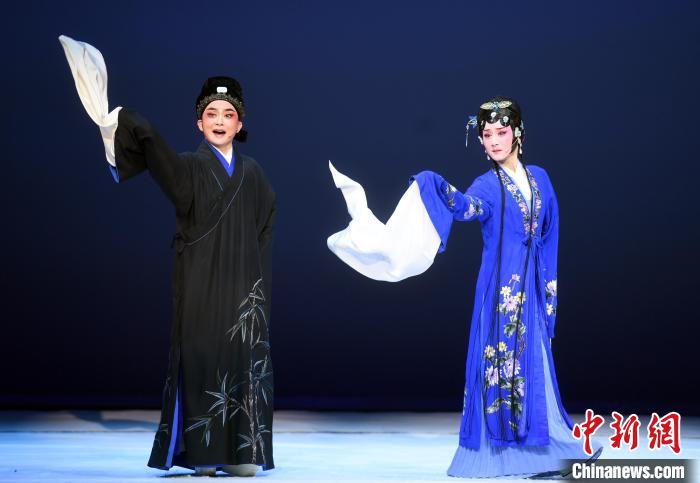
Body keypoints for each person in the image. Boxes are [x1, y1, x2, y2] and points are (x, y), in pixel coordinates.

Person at [327, 97, 595, 477]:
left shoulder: (541, 178)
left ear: (518, 133)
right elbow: (468, 208)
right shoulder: (486, 185)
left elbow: (550, 235)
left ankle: (551, 452)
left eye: (501, 132)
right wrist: (434, 185)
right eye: (487, 135)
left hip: (532, 289)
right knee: (498, 368)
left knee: (536, 367)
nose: (495, 141)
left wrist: (549, 294)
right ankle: (501, 457)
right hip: (500, 292)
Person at [59, 36, 275, 477]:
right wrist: (127, 121)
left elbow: (265, 225)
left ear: (240, 123)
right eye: (211, 114)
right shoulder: (189, 167)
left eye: (228, 114)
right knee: (201, 357)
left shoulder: (253, 174)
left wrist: (255, 282)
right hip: (199, 281)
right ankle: (201, 455)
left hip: (242, 287)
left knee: (241, 360)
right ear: (198, 123)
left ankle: (242, 451)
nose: (219, 121)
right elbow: (163, 166)